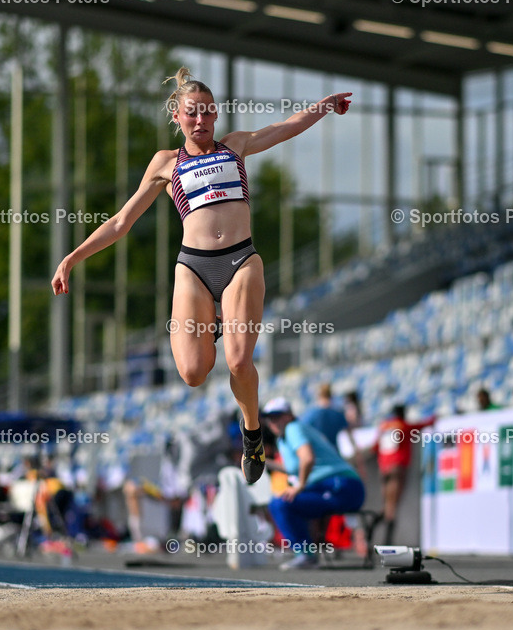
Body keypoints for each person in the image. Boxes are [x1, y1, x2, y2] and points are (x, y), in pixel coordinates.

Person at [52, 68, 351, 485]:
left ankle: (252, 433)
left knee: (239, 359)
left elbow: (285, 127)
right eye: (192, 113)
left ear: (216, 115)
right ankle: (211, 323)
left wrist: (325, 106)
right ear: (177, 116)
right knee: (193, 374)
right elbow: (121, 222)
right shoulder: (165, 163)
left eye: (208, 112)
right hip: (193, 267)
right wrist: (72, 258)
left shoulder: (236, 145)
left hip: (241, 261)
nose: (201, 120)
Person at [262, 397, 365, 570]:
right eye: (270, 418)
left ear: (289, 415)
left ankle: (306, 554)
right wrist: (262, 462)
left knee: (281, 504)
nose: (273, 422)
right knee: (282, 503)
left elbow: (307, 458)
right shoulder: (283, 438)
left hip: (342, 486)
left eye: (277, 416)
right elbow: (294, 467)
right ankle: (306, 553)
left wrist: (300, 486)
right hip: (334, 486)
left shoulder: (293, 428)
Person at [372, 405, 434, 546]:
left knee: (386, 505)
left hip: (384, 468)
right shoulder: (404, 426)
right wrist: (434, 418)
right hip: (397, 467)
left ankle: (371, 529)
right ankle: (387, 541)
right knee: (392, 506)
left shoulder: (384, 426)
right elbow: (424, 424)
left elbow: (375, 447)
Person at [300, 383, 352, 450]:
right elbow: (349, 433)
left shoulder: (311, 414)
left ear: (318, 396)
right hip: (334, 451)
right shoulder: (337, 414)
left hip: (319, 453)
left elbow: (302, 431)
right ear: (331, 396)